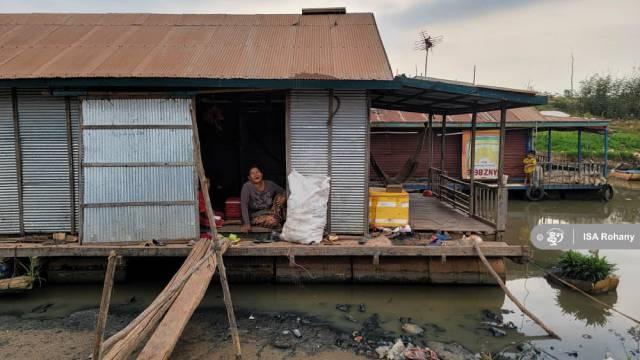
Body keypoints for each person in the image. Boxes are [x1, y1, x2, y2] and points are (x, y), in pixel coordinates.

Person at [240, 165, 286, 232]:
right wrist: (247, 224)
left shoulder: (270, 184)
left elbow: (284, 191)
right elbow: (244, 206)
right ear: (249, 177)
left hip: (271, 212)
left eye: (257, 172)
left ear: (261, 174)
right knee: (272, 221)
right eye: (252, 173)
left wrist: (284, 197)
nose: (256, 175)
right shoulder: (247, 187)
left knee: (280, 196)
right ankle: (275, 222)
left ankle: (281, 220)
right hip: (255, 216)